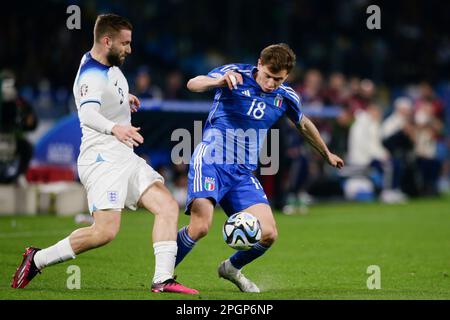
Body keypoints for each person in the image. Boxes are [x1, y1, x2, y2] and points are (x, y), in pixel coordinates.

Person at [11, 13, 197, 294]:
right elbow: (86, 113)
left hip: (122, 155)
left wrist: (125, 98)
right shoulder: (91, 75)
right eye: (125, 43)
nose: (129, 49)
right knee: (105, 232)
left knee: (167, 206)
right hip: (101, 158)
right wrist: (115, 128)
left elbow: (107, 91)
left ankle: (162, 279)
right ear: (107, 41)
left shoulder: (106, 64)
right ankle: (37, 258)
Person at [175, 43, 344, 292]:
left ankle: (231, 268)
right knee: (201, 226)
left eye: (279, 79)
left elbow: (304, 124)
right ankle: (163, 276)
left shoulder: (286, 96)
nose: (272, 83)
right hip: (211, 161)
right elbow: (193, 83)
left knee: (268, 234)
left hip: (242, 174)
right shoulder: (234, 74)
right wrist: (218, 81)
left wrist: (326, 153)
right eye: (268, 76)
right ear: (259, 65)